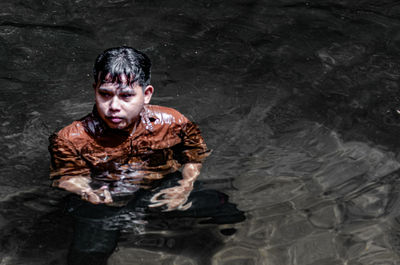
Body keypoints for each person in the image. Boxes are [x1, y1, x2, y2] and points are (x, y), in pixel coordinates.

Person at [48, 46, 211, 265]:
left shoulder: (173, 123)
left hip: (160, 186)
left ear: (147, 94)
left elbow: (194, 155)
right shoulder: (71, 138)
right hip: (105, 199)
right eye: (105, 94)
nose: (113, 106)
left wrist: (185, 186)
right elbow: (67, 176)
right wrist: (86, 191)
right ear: (94, 89)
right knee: (86, 256)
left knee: (226, 212)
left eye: (126, 96)